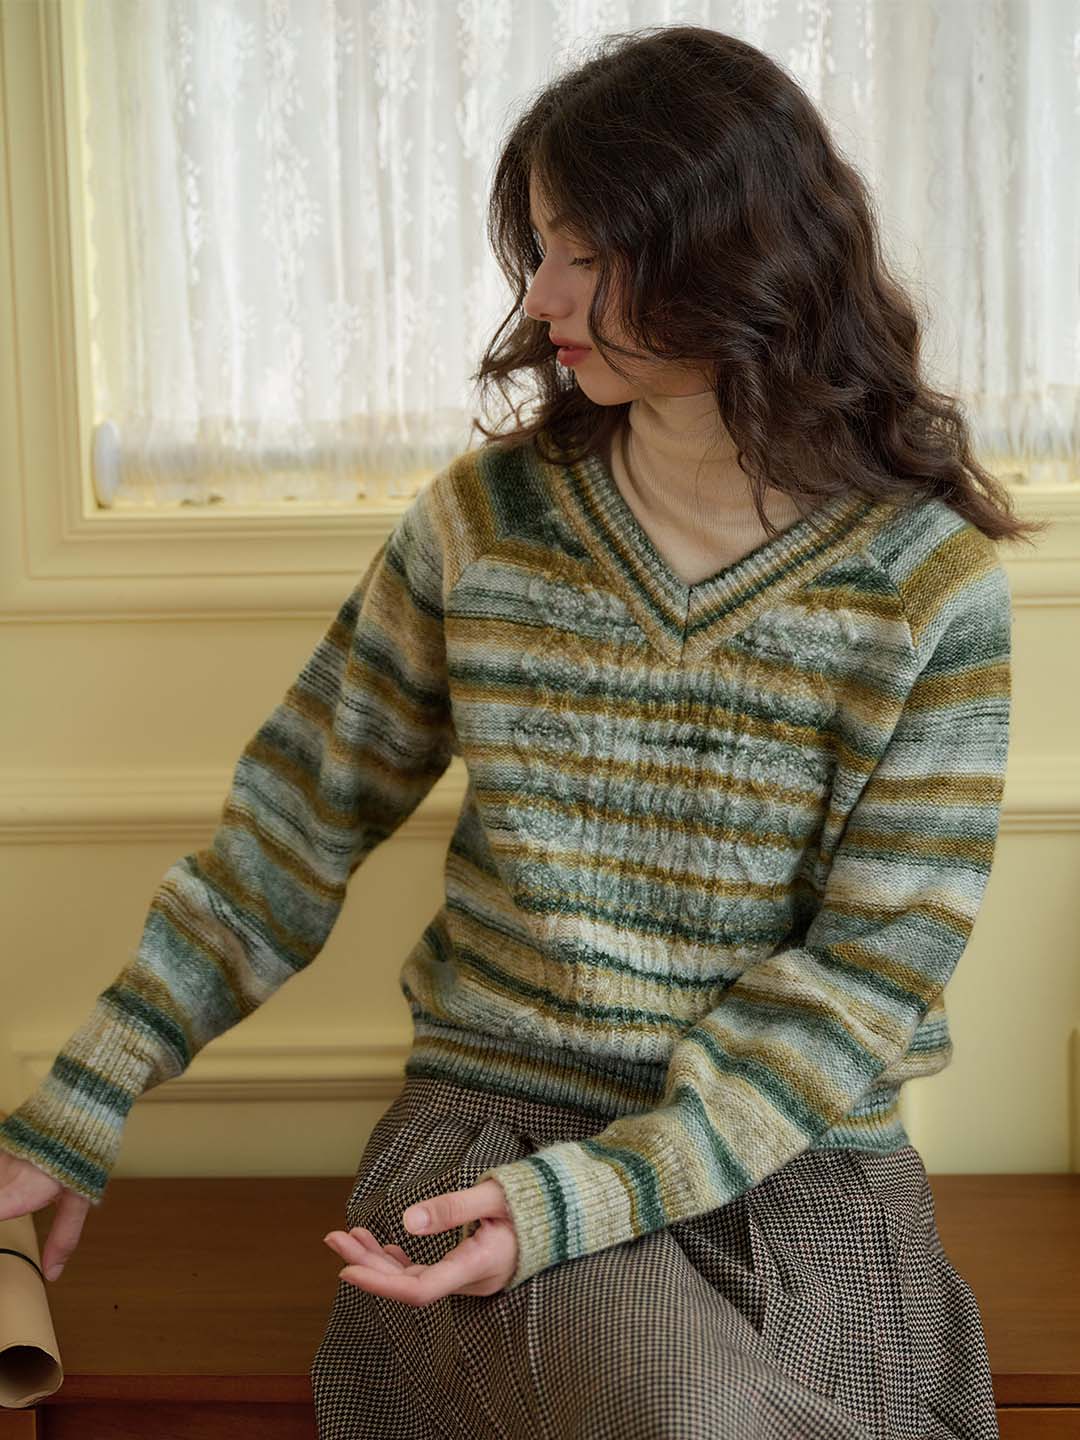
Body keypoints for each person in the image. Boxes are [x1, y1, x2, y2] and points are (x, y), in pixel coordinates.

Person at [0, 22, 1045, 1440]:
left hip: (793, 1163)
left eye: (583, 252)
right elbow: (290, 835)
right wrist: (83, 1101)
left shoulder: (927, 585)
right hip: (492, 1135)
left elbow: (869, 976)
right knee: (686, 1414)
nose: (539, 292)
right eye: (539, 248)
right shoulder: (482, 527)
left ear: (729, 253)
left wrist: (602, 1195)